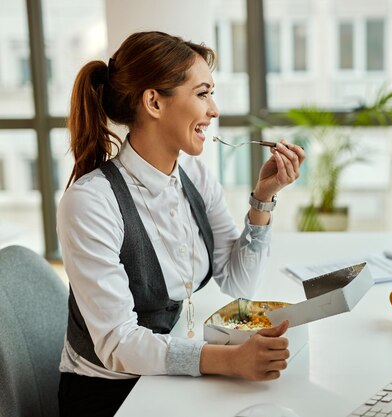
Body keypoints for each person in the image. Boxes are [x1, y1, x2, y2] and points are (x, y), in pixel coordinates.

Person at [56, 31, 306, 417]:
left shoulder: (195, 176)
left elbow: (238, 283)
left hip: (168, 369)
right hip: (111, 393)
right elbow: (118, 344)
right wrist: (230, 359)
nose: (214, 109)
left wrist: (263, 199)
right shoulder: (90, 203)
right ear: (154, 101)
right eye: (203, 93)